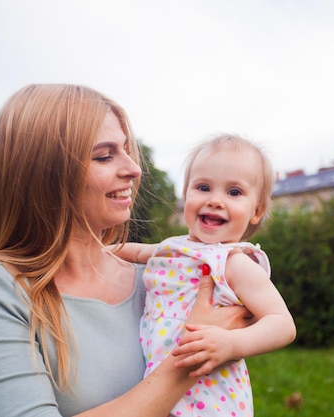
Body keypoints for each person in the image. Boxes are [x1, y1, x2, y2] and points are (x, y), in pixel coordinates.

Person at [0, 84, 253, 417]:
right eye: (104, 156)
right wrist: (187, 361)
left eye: (126, 150)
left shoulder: (162, 280)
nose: (134, 168)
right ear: (46, 172)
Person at [111, 134, 297, 416]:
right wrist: (97, 250)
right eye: (203, 187)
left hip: (210, 399)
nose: (215, 200)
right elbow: (137, 253)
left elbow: (283, 324)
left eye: (234, 192)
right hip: (159, 390)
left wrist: (232, 344)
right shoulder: (173, 248)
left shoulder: (234, 262)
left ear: (256, 211)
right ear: (186, 195)